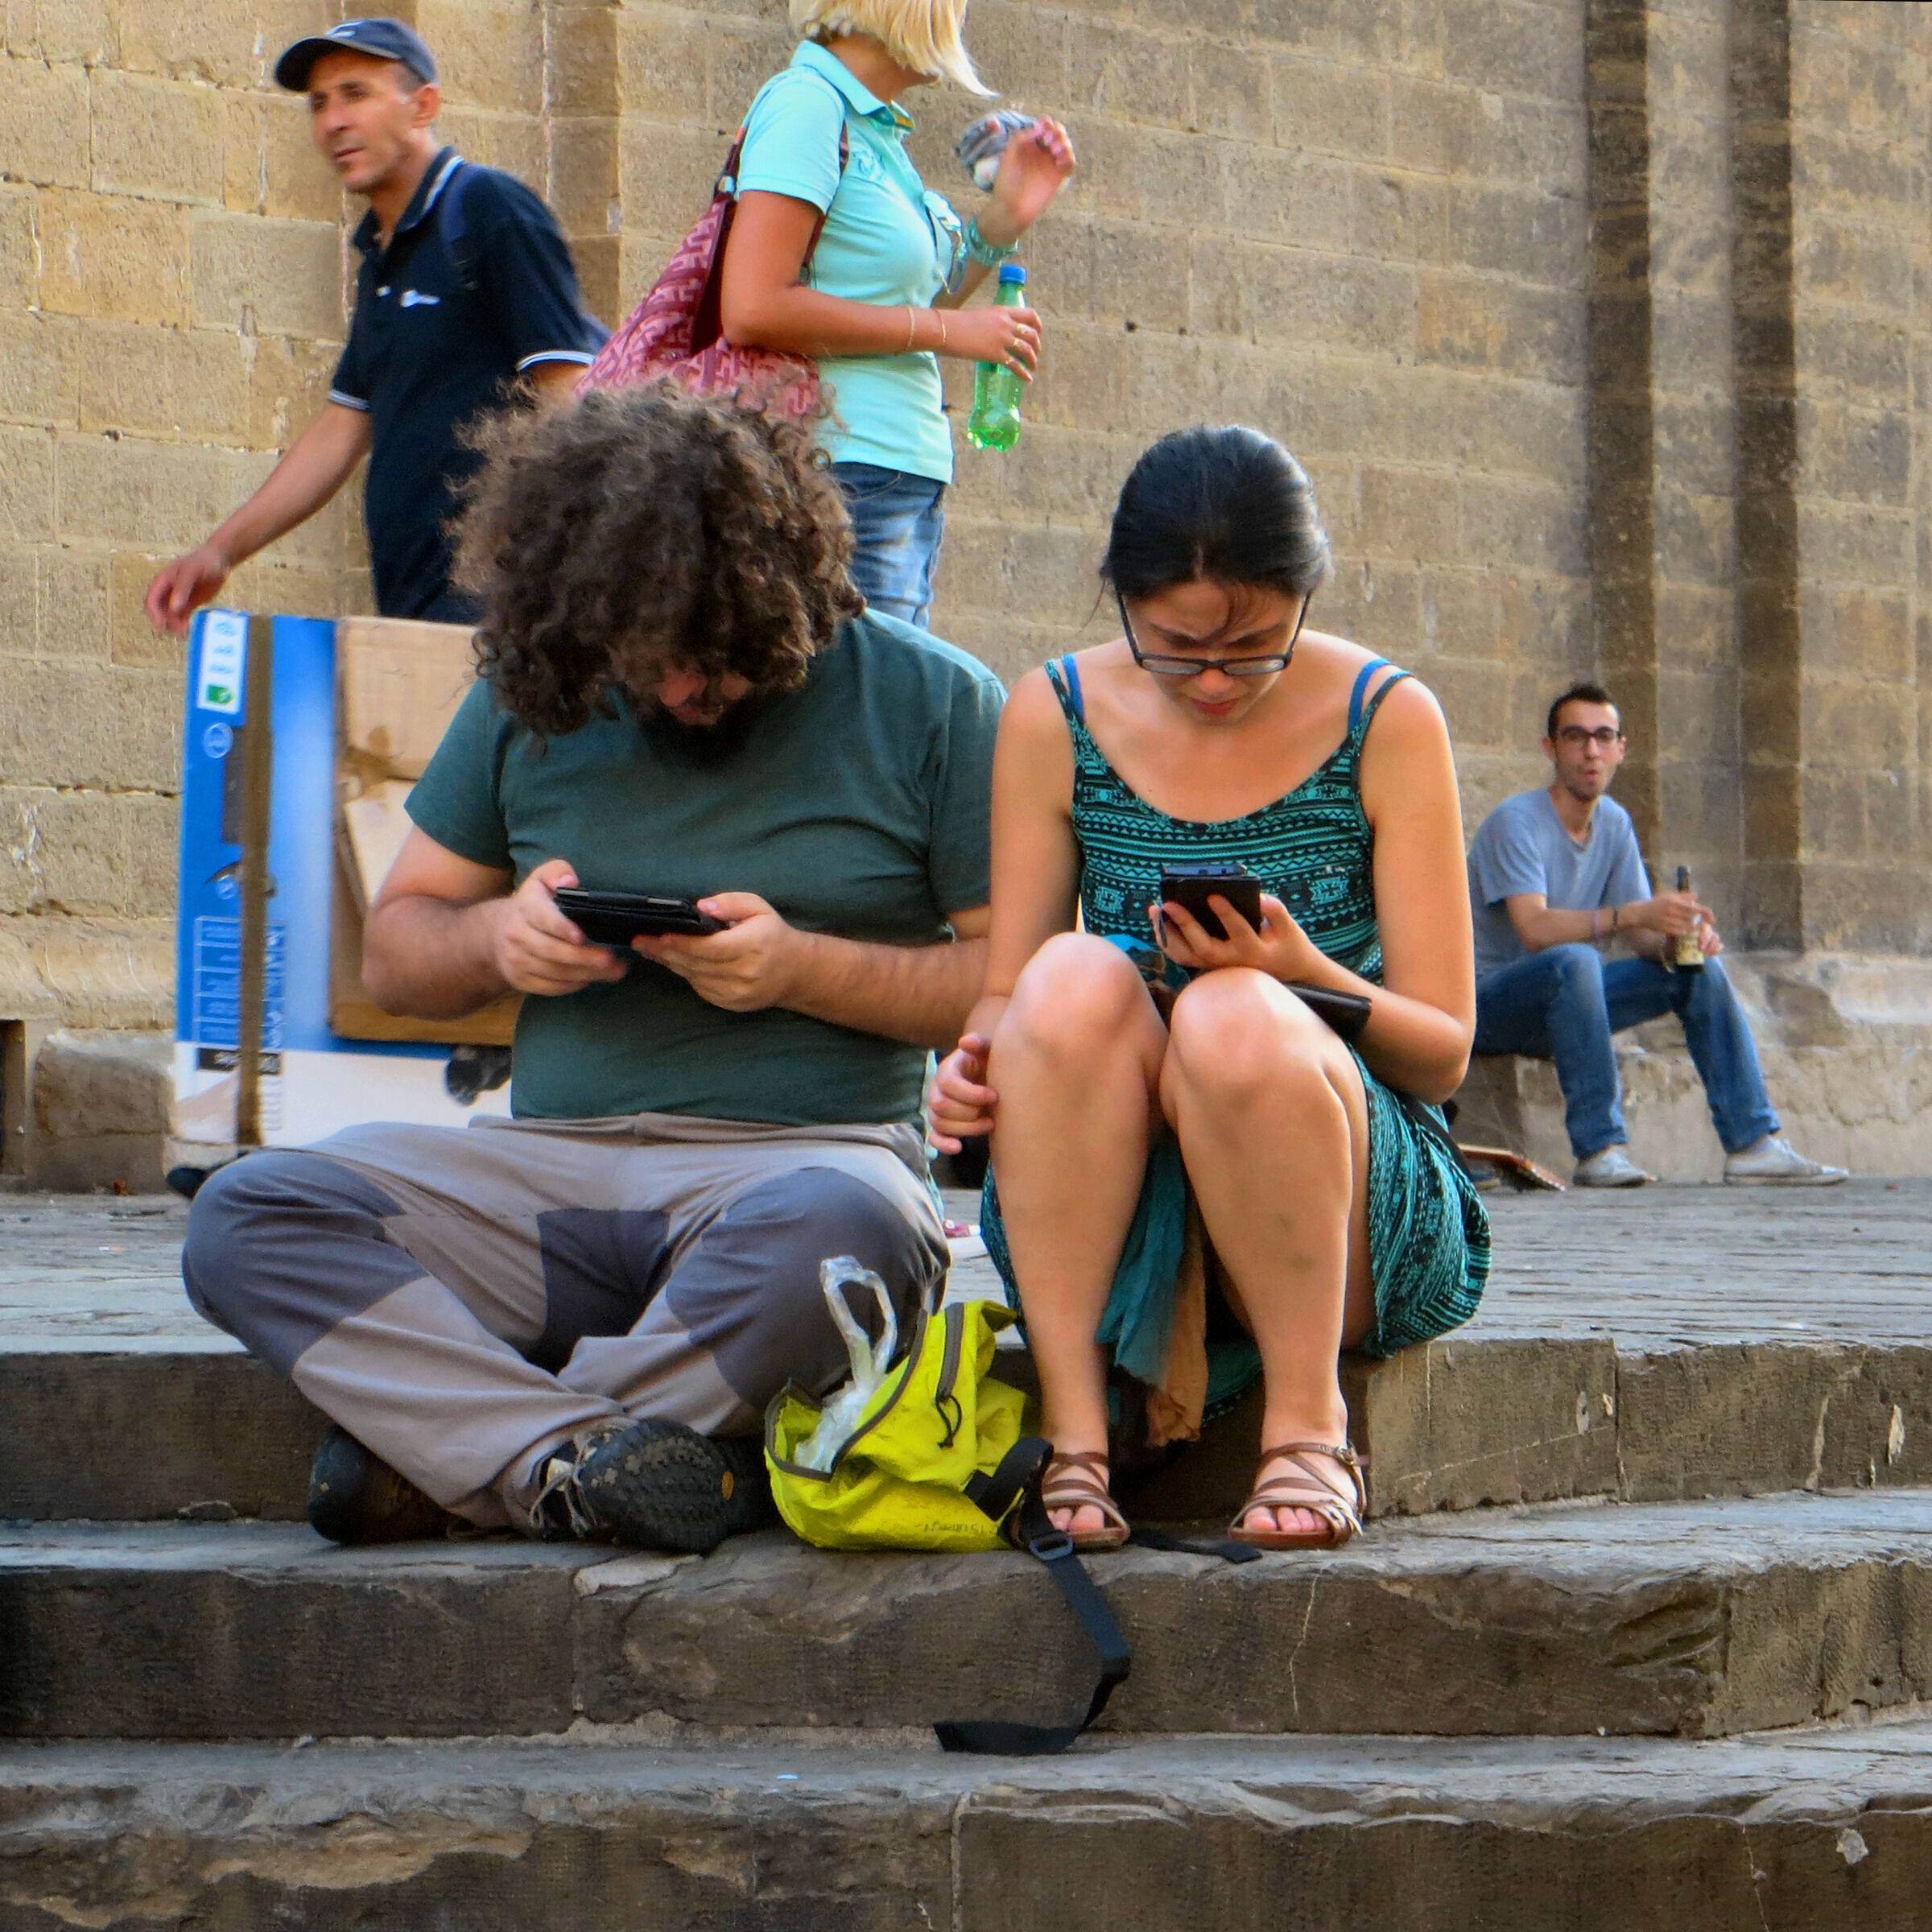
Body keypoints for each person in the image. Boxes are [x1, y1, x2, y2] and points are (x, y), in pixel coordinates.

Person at [180, 385, 1005, 1553]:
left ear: (777, 584)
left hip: (798, 1174)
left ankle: (462, 1458)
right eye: (642, 665)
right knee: (245, 1216)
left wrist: (798, 969)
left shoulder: (935, 701)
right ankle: (585, 1462)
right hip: (543, 1179)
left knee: (855, 1235)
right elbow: (401, 953)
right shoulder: (537, 692)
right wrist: (497, 941)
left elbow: (1008, 983)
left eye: (708, 661)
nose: (674, 691)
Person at [927, 427, 1490, 1553]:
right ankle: (1075, 1438)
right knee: (1074, 973)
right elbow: (1006, 995)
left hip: (1349, 1199)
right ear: (1123, 603)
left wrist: (1302, 978)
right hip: (1119, 1194)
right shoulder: (1056, 712)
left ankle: (1306, 1427)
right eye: (1177, 651)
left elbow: (1443, 1054)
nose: (1219, 681)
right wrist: (972, 1074)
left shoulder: (1387, 718)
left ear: (1304, 600)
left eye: (1256, 646)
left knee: (1232, 1015)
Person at [143, 17, 605, 634]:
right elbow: (342, 425)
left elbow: (570, 396)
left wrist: (555, 585)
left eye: (356, 94)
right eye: (319, 103)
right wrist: (221, 550)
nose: (333, 121)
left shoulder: (489, 212)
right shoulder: (382, 259)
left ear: (424, 105)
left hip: (499, 609)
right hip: (413, 606)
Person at [714, 0, 1076, 627]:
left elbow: (908, 310)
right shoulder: (809, 107)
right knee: (870, 713)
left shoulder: (870, 128)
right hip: (842, 474)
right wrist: (951, 333)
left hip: (888, 475)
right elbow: (752, 306)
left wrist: (1003, 220)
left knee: (881, 705)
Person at [1465, 683, 1847, 1187]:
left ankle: (1752, 1143)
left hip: (1573, 1003)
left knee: (1696, 970)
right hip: (1488, 1003)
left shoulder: (1616, 824)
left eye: (1603, 738)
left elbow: (1642, 940)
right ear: (1550, 748)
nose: (1591, 751)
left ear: (1622, 749)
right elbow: (1535, 930)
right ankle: (1600, 1150)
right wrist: (1635, 913)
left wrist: (1677, 941)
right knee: (1577, 960)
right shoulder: (1517, 822)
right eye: (1576, 737)